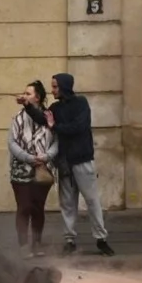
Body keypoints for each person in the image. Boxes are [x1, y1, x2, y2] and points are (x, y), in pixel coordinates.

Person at [49, 72, 111, 255]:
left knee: (92, 200)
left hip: (82, 159)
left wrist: (56, 127)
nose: (52, 90)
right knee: (68, 203)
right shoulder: (55, 108)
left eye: (55, 86)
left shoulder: (81, 103)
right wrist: (29, 107)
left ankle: (101, 238)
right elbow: (43, 119)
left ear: (64, 86)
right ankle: (69, 240)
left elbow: (79, 127)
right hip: (65, 162)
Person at [6, 81, 58, 255]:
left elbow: (56, 141)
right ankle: (23, 245)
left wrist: (46, 156)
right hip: (21, 169)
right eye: (24, 93)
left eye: (29, 94)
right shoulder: (18, 118)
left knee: (37, 207)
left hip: (43, 169)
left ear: (38, 97)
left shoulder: (49, 117)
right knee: (24, 206)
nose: (25, 96)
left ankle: (36, 243)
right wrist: (27, 157)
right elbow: (12, 142)